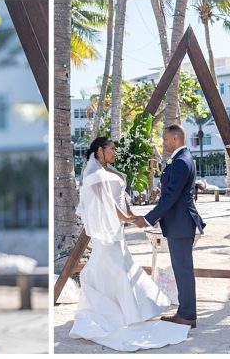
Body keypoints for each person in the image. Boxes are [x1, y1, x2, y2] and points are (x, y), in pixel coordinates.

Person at [70, 137, 189, 351]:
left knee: (116, 268)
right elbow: (106, 202)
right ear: (100, 151)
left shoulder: (109, 171)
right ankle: (118, 313)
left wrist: (131, 214)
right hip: (107, 232)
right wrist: (126, 217)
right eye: (111, 149)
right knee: (115, 268)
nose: (115, 152)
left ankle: (128, 310)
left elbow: (119, 196)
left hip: (117, 230)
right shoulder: (93, 175)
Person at [134, 124, 206, 328]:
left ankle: (188, 315)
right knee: (181, 269)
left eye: (165, 139)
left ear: (176, 138)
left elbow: (170, 197)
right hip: (179, 223)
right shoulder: (181, 159)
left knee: (183, 270)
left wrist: (147, 219)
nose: (163, 143)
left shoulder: (182, 161)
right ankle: (184, 312)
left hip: (181, 224)